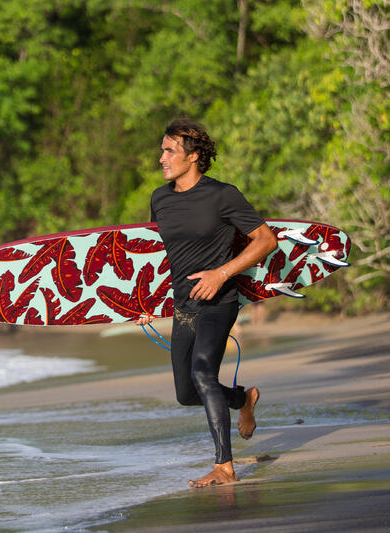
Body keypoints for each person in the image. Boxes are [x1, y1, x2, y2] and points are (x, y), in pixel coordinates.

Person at [136, 118, 277, 487]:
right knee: (186, 393)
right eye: (162, 149)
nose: (162, 157)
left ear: (193, 157)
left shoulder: (222, 195)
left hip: (219, 301)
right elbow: (160, 254)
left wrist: (221, 274)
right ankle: (242, 399)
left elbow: (265, 241)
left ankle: (224, 466)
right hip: (182, 307)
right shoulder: (160, 198)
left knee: (203, 373)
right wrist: (145, 304)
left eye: (170, 151)